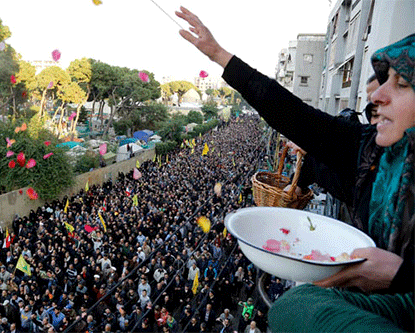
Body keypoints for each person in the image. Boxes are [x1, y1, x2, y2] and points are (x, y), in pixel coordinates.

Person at [175, 6, 413, 332]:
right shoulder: (369, 149)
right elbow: (294, 116)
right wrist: (219, 55)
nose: (378, 97)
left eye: (401, 84)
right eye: (385, 81)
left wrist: (400, 276)